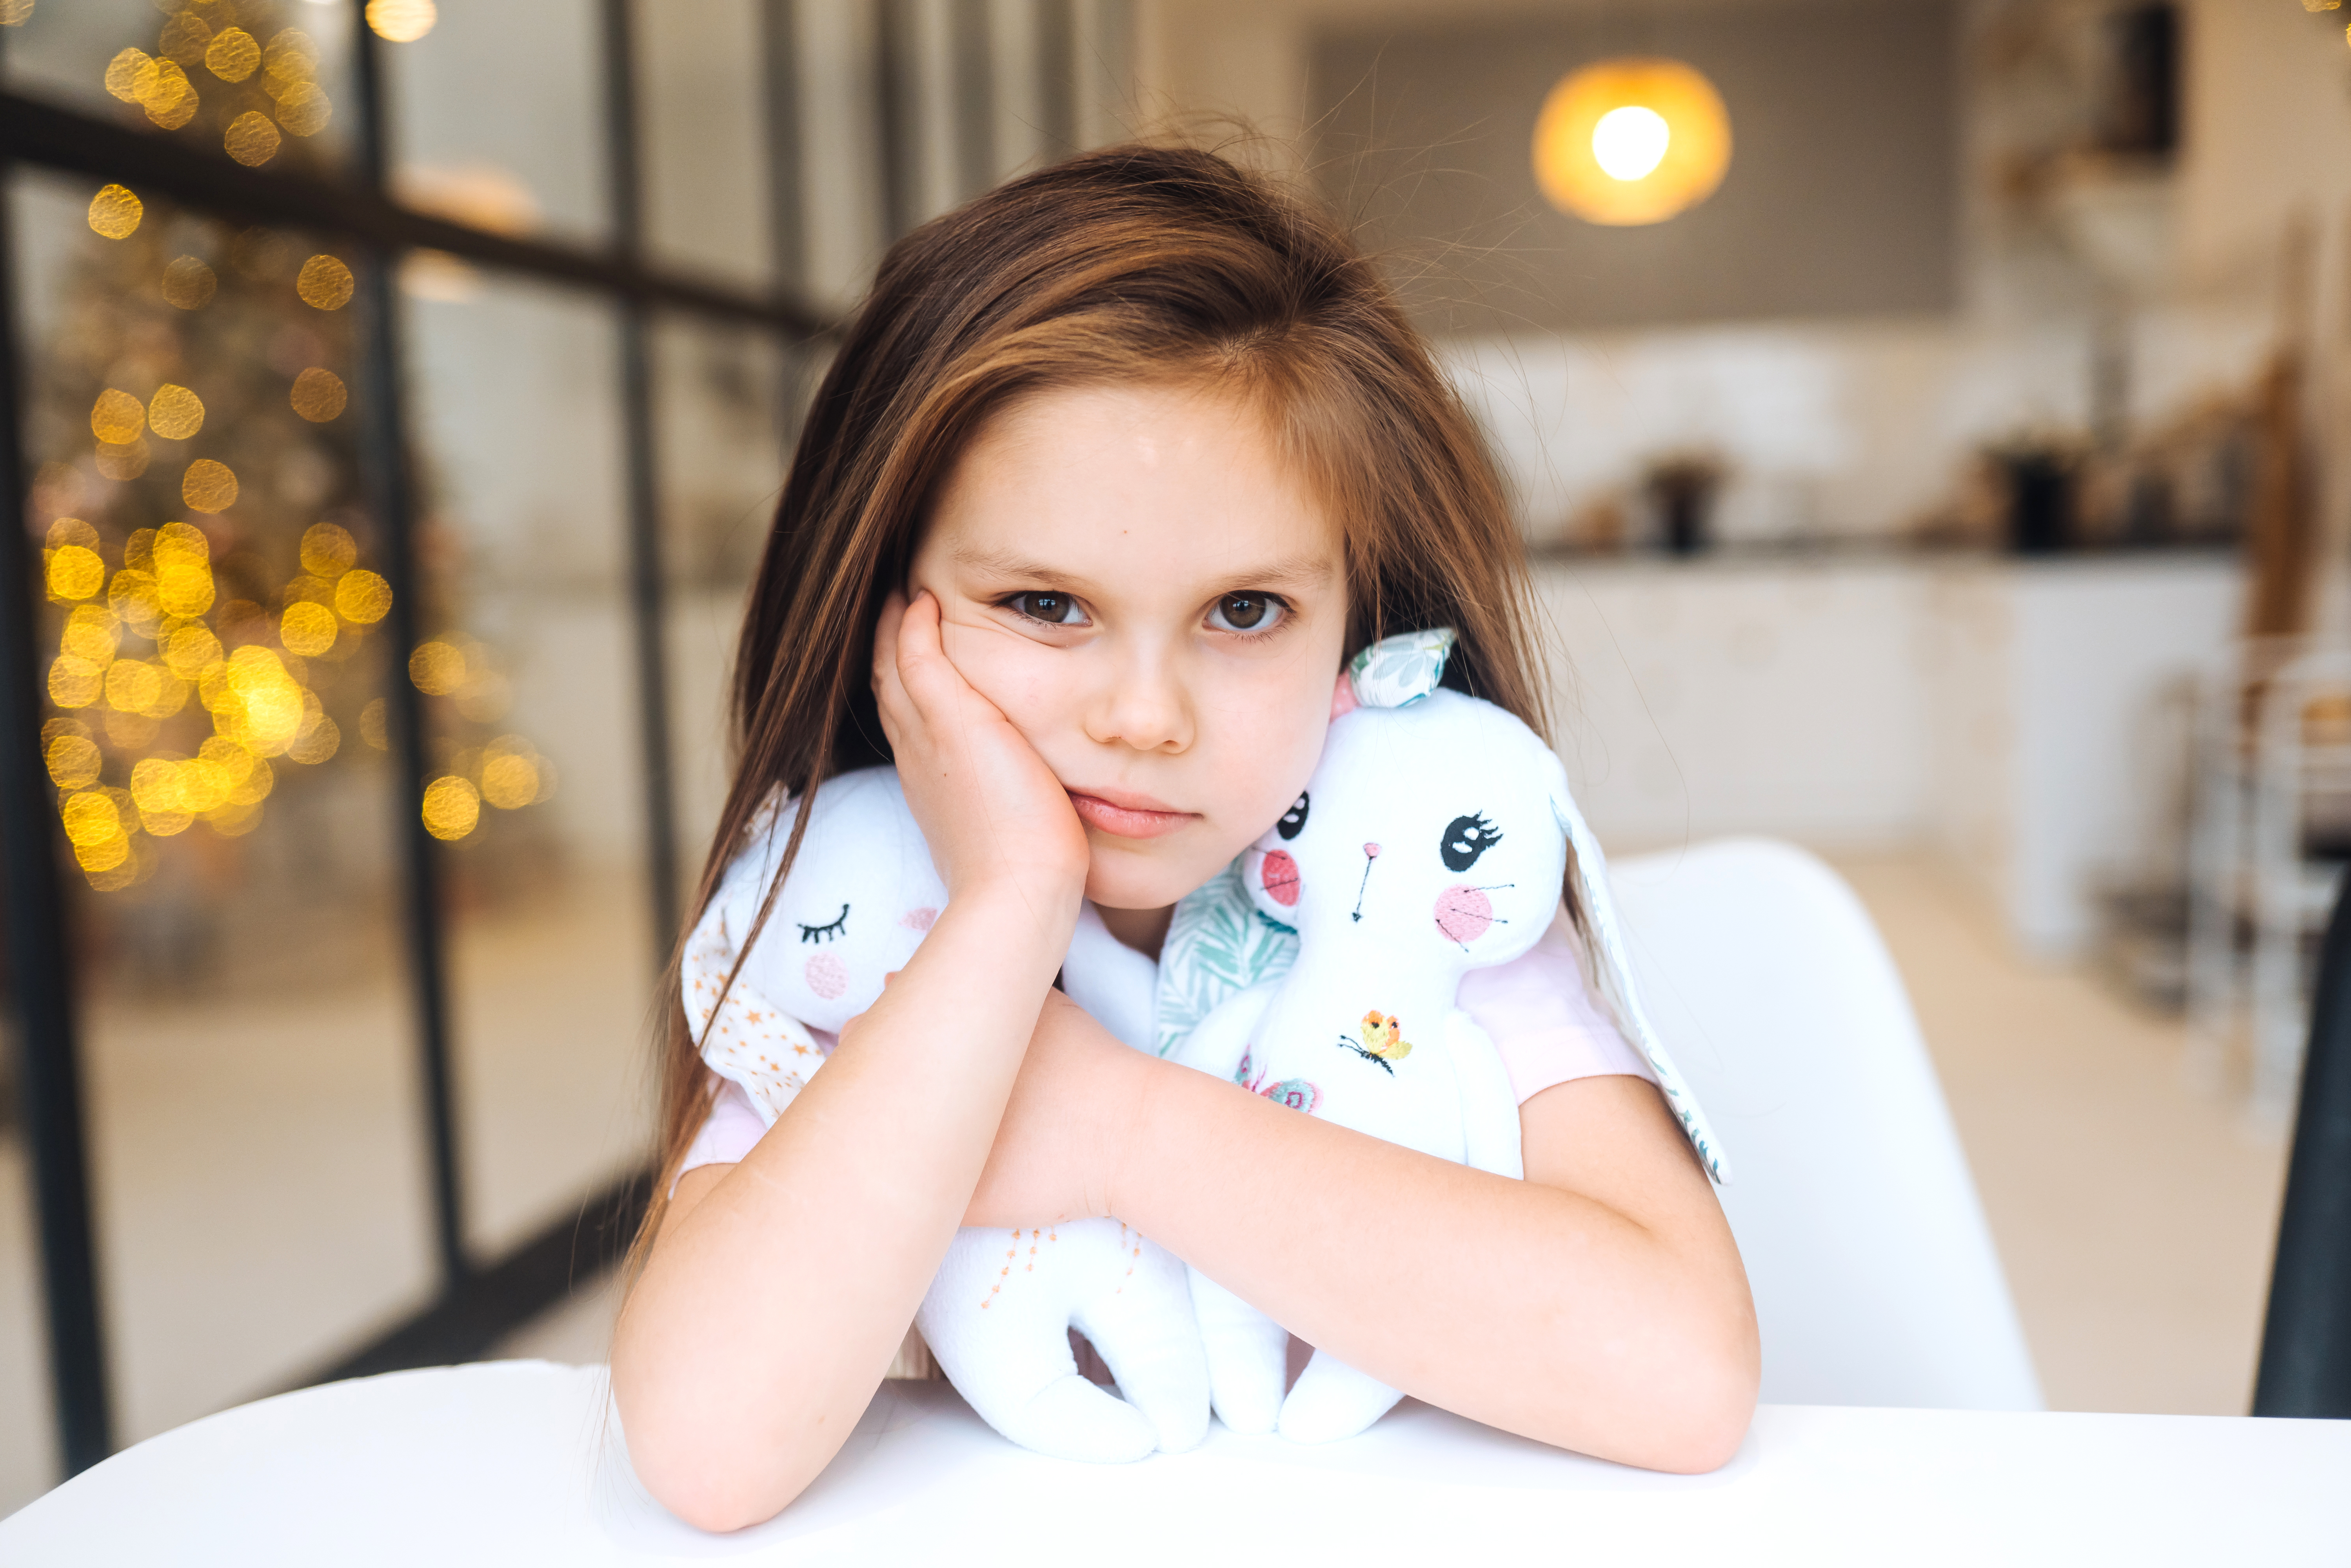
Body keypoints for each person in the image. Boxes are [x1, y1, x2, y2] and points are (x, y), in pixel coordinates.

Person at [609, 142, 1758, 1532]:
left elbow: (1684, 1375)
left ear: (1359, 627)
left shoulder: (1399, 902)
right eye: (1043, 604)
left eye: (1245, 613)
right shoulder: (862, 927)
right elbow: (707, 1452)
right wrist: (1006, 906)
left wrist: (1114, 1126)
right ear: (884, 611)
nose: (1145, 717)